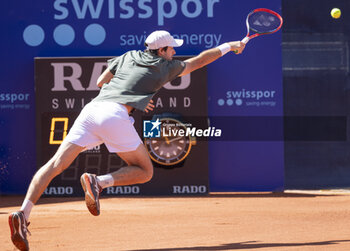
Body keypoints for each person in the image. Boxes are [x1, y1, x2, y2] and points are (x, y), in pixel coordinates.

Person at [8, 30, 245, 251]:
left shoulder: (128, 55)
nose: (174, 52)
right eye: (171, 48)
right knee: (145, 170)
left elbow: (101, 82)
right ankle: (98, 182)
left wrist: (135, 95)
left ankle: (23, 214)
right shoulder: (165, 67)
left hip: (91, 110)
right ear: (161, 51)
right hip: (114, 115)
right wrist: (230, 46)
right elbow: (199, 60)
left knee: (54, 165)